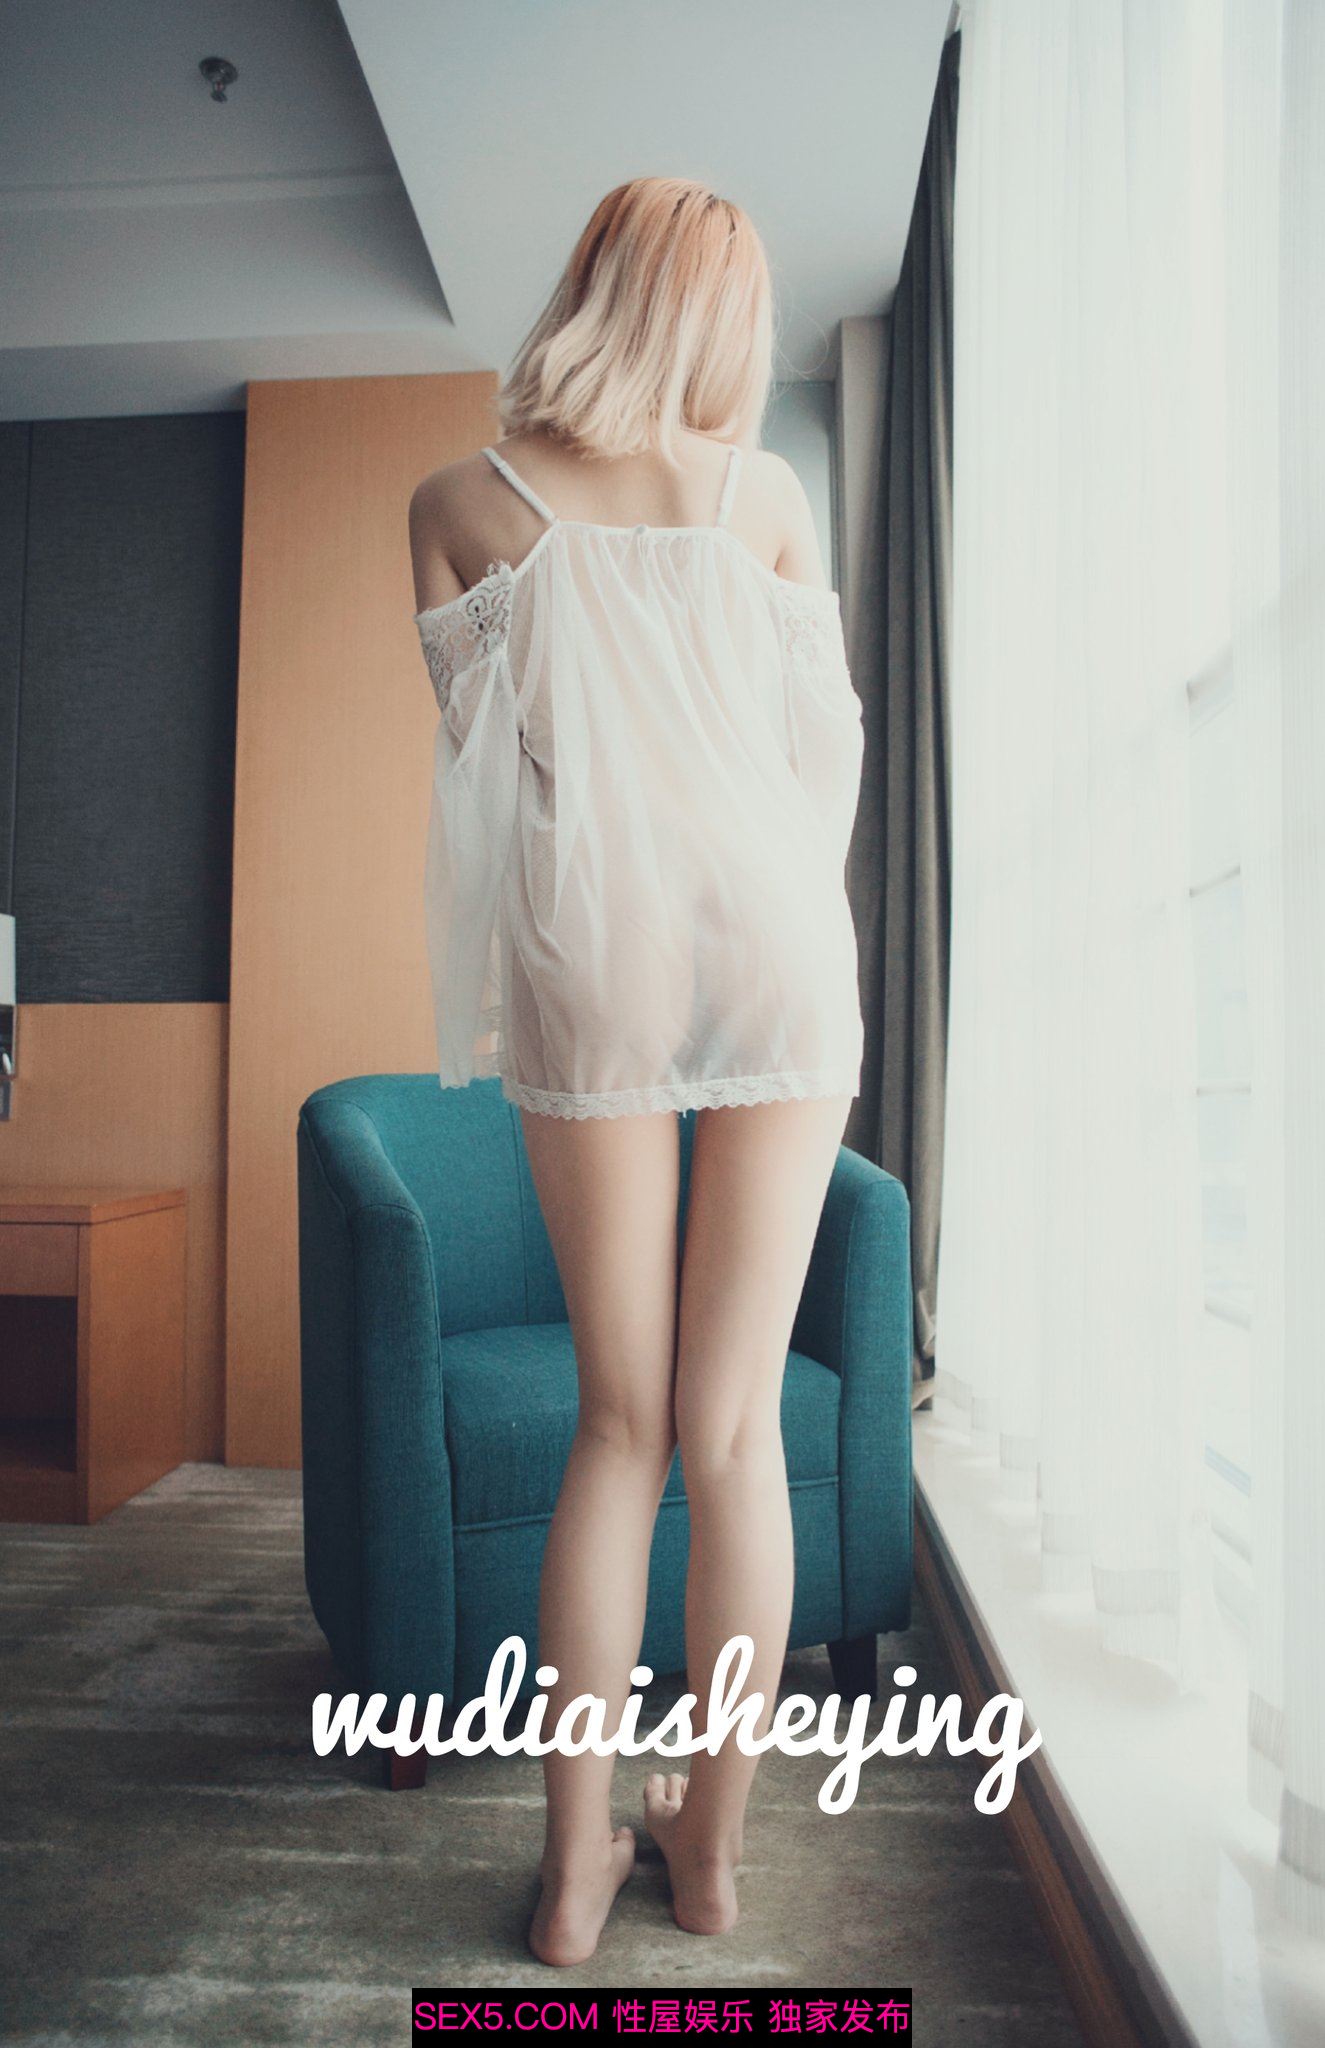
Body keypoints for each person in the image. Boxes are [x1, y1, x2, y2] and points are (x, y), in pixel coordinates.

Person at [409, 175, 864, 1968]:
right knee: (733, 1428)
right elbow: (820, 759)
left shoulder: (461, 504)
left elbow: (491, 765)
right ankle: (714, 1857)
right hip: (773, 933)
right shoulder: (770, 497)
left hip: (595, 946)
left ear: (590, 283)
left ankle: (570, 1877)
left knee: (620, 1424)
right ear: (723, 319)